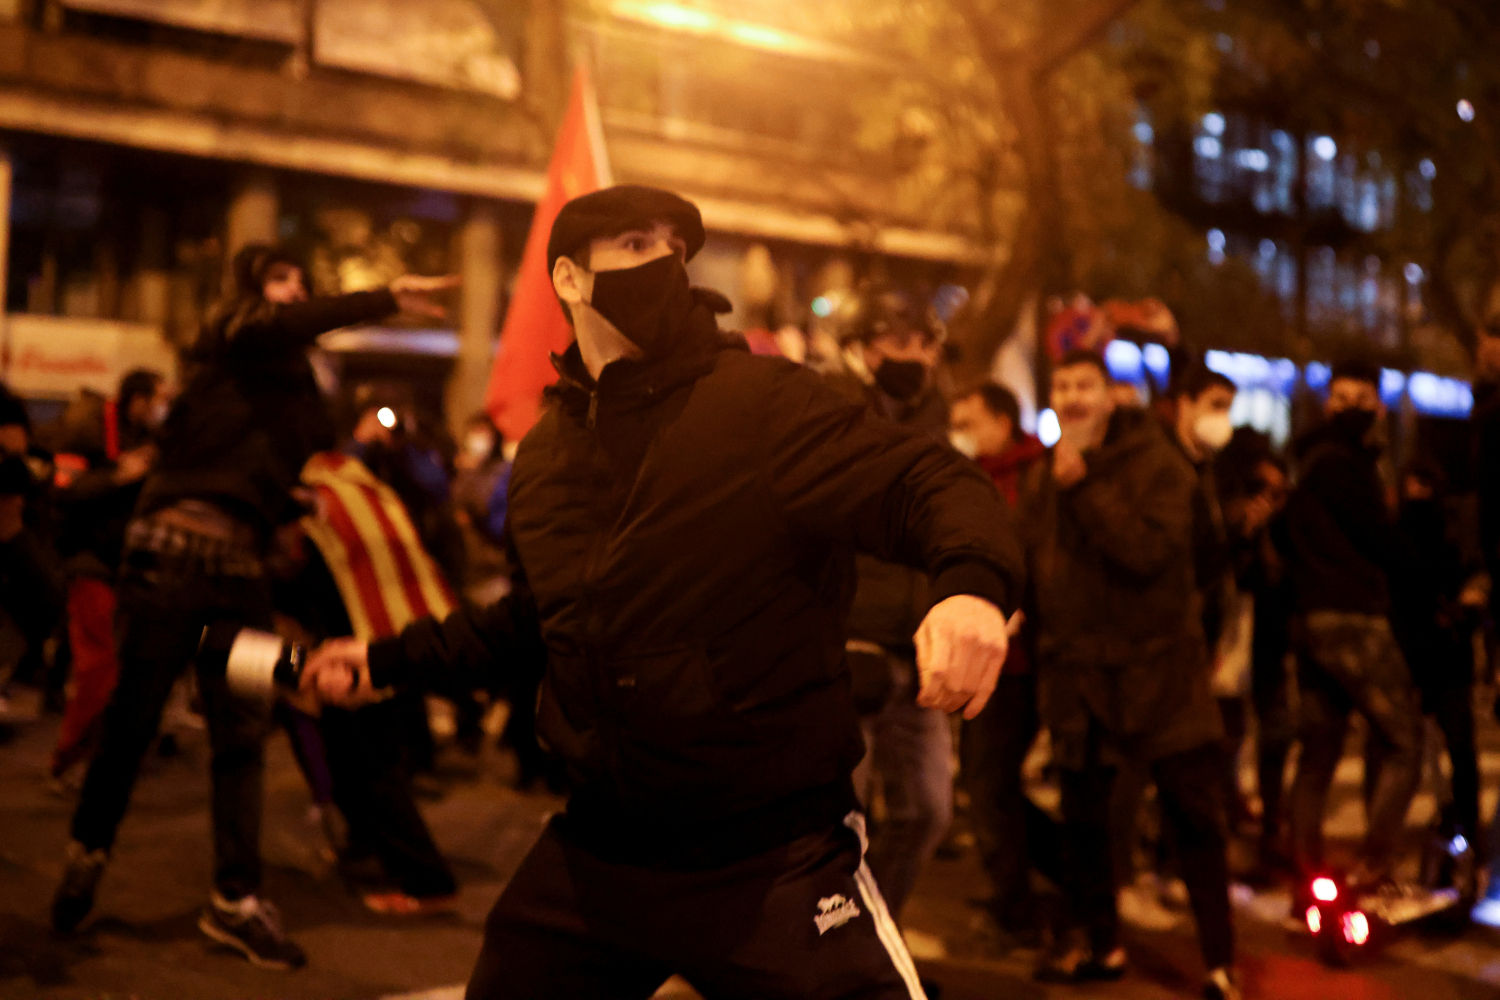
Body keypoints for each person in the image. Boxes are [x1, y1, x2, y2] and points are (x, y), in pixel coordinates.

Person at [302, 184, 1021, 1000]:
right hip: (602, 855)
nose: (666, 261)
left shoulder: (761, 402)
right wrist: (387, 661)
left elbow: (927, 483)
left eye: (675, 246)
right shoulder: (543, 460)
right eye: (636, 244)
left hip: (774, 858)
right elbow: (542, 623)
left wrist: (970, 590)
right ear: (569, 279)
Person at [49, 241, 456, 970]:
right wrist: (386, 297)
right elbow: (269, 332)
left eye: (301, 282)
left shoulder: (298, 392)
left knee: (241, 732)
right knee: (133, 721)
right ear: (250, 292)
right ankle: (88, 853)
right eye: (279, 280)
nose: (293, 294)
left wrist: (292, 508)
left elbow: (283, 472)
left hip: (238, 584)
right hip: (169, 564)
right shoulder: (232, 338)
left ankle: (234, 901)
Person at [1025, 350, 1237, 1000]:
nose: (1073, 397)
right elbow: (1034, 560)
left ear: (1113, 395)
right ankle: (1102, 941)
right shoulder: (1047, 474)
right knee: (1085, 821)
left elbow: (1151, 553)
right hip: (1081, 677)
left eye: (1085, 385)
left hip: (1160, 675)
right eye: (1062, 385)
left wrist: (1084, 489)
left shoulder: (1157, 464)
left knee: (1193, 819)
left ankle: (1219, 963)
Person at [829, 284, 958, 923]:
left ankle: (872, 935)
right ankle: (817, 952)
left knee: (928, 810)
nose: (916, 357)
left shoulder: (942, 422)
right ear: (864, 349)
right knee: (835, 822)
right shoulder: (831, 412)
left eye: (924, 344)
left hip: (916, 652)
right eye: (898, 343)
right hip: (845, 651)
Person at [1283, 358, 1422, 893]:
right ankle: (1375, 864)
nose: (1349, 411)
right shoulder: (1343, 465)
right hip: (1353, 617)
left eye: (1358, 400)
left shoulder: (1309, 461)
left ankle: (1306, 874)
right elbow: (1379, 541)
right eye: (1341, 400)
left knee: (1319, 750)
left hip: (1311, 618)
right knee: (1405, 743)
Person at [948, 380, 1056, 946]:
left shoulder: (1037, 474)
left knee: (989, 782)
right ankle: (1021, 888)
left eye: (969, 422)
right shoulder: (975, 478)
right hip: (986, 655)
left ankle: (1016, 904)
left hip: (1022, 658)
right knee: (986, 781)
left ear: (1000, 420)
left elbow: (1041, 555)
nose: (961, 435)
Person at [49, 369, 173, 783]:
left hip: (130, 568)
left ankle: (96, 760)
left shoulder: (147, 439)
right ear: (137, 399)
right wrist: (119, 475)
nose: (161, 408)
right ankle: (68, 759)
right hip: (91, 564)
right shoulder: (89, 427)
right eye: (157, 398)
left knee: (126, 670)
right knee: (98, 668)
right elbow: (65, 490)